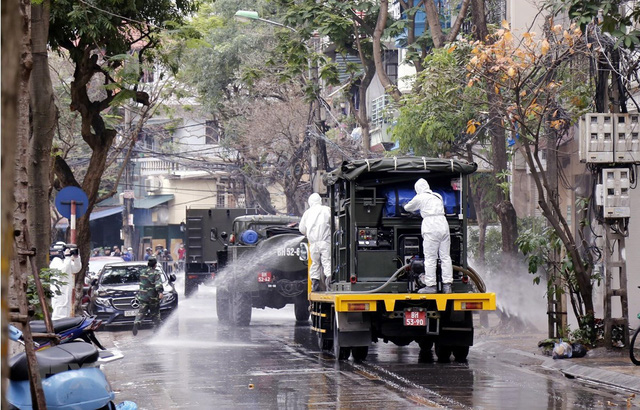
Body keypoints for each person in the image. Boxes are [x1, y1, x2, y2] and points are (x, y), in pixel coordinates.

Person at [403, 178, 453, 294]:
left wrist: (404, 205)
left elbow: (408, 208)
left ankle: (430, 286)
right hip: (443, 224)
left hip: (431, 225)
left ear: (417, 189)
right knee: (445, 257)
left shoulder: (420, 197)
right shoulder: (437, 196)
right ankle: (447, 286)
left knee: (430, 258)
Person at [299, 193, 331, 291]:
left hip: (313, 244)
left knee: (315, 263)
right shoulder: (327, 209)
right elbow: (335, 223)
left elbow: (302, 229)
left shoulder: (307, 213)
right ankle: (329, 284)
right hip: (325, 241)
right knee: (327, 262)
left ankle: (315, 284)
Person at [132, 257, 164, 336]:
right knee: (155, 314)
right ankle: (157, 330)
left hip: (143, 296)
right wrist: (160, 292)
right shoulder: (156, 273)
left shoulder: (142, 271)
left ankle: (137, 323)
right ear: (155, 264)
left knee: (141, 312)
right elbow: (158, 283)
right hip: (152, 297)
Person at [50, 245, 82, 319]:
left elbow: (76, 269)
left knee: (66, 309)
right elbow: (62, 271)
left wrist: (76, 257)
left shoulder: (66, 261)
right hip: (59, 290)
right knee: (59, 310)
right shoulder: (55, 261)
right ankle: (57, 326)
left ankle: (65, 325)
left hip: (67, 289)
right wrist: (67, 257)